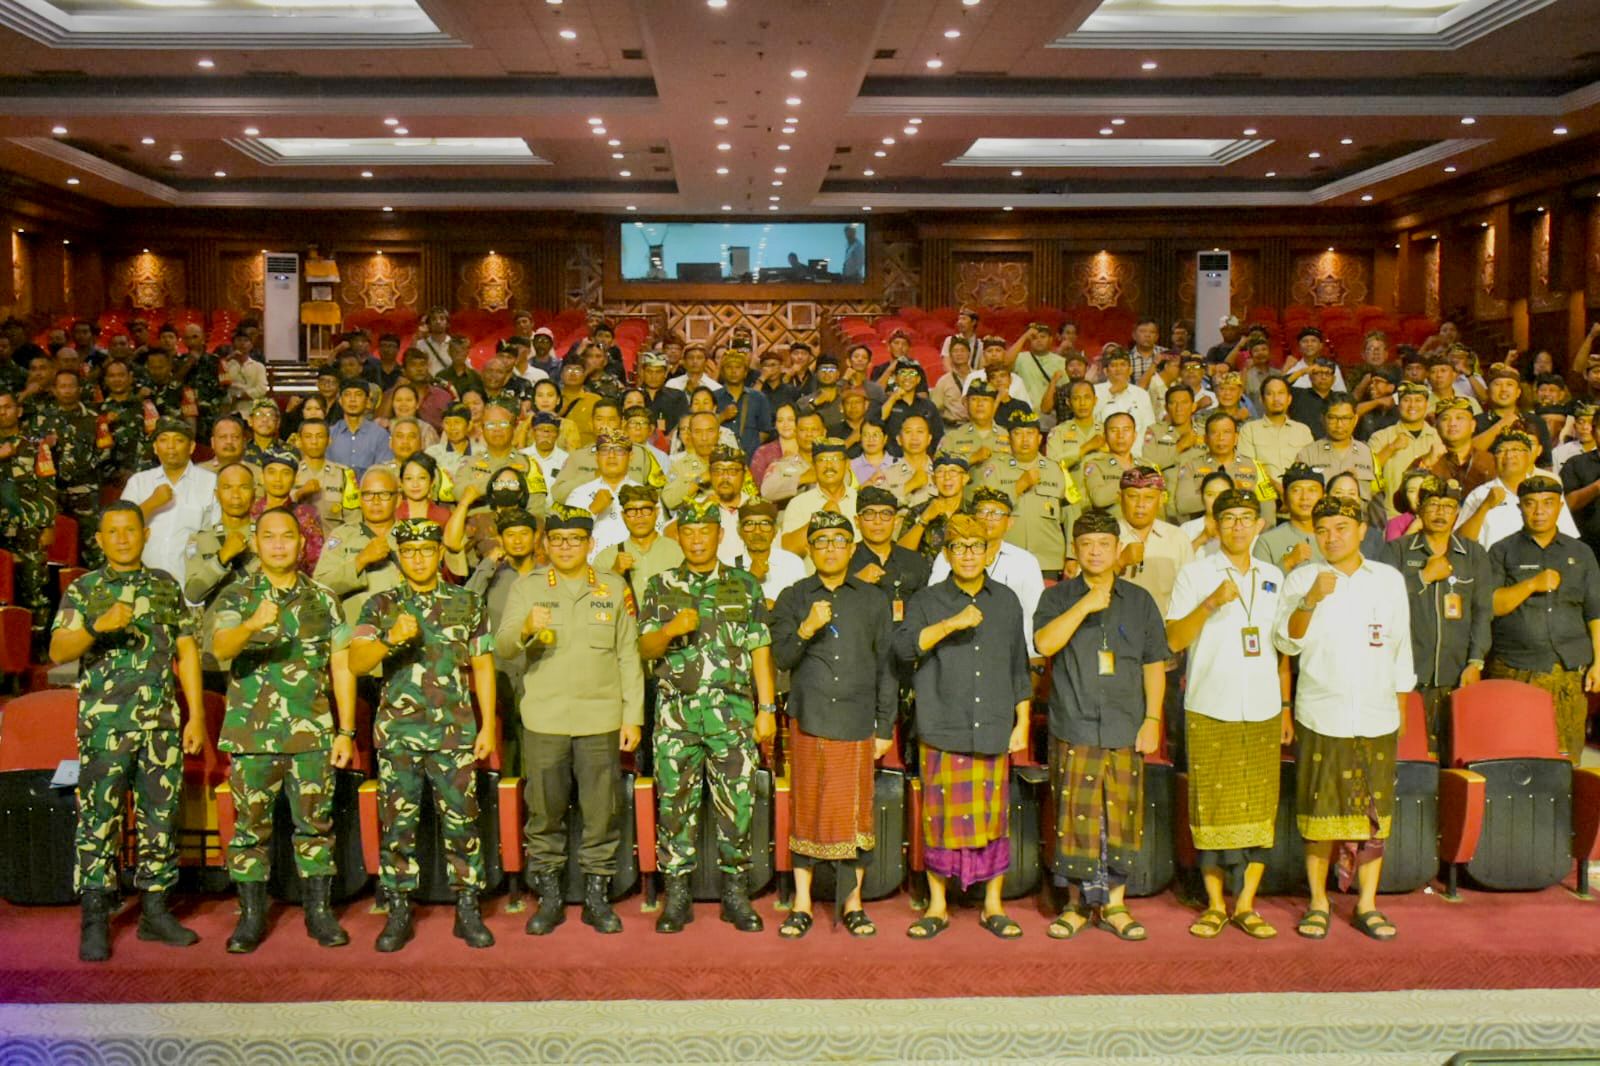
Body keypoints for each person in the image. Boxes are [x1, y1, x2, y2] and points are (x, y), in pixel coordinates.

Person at [50, 501, 208, 962]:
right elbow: (58, 649)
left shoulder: (164, 585)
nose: (122, 539)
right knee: (100, 820)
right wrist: (96, 628)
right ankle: (96, 916)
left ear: (144, 535)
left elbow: (186, 651)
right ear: (99, 540)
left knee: (161, 819)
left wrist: (196, 715)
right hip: (106, 727)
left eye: (130, 530)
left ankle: (155, 911)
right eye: (113, 532)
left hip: (161, 724)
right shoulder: (85, 589)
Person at [208, 507, 358, 953]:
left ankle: (319, 913)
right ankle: (251, 916)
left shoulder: (323, 599)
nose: (278, 544)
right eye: (269, 536)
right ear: (256, 543)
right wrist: (252, 624)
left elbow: (342, 665)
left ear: (301, 542)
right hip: (252, 735)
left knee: (316, 826)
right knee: (250, 830)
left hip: (312, 734)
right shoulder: (237, 596)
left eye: (286, 536)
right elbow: (221, 648)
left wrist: (346, 730)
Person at [348, 518, 497, 951]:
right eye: (409, 551)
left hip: (454, 733)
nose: (418, 559)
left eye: (426, 550)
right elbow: (357, 662)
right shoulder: (380, 605)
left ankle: (467, 906)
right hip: (398, 735)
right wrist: (390, 640)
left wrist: (487, 724)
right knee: (398, 825)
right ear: (399, 557)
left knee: (463, 822)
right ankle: (398, 908)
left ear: (439, 554)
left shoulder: (466, 602)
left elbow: (483, 665)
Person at [1274, 495, 1415, 943]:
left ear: (1361, 531)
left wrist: (1402, 707)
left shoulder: (1387, 580)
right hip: (1322, 712)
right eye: (1323, 530)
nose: (1331, 538)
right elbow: (1287, 642)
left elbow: (1401, 647)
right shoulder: (1302, 578)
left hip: (1377, 713)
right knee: (1320, 812)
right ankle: (1318, 901)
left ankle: (1367, 903)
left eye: (1341, 528)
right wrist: (1310, 600)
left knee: (1375, 815)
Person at [497, 509, 644, 936]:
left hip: (601, 717)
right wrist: (526, 627)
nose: (565, 547)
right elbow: (503, 646)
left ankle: (597, 897)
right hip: (545, 719)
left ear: (589, 544)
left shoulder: (613, 587)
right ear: (545, 544)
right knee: (544, 812)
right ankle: (550, 897)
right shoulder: (527, 587)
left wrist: (632, 716)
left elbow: (628, 654)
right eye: (557, 539)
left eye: (574, 539)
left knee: (602, 812)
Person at [637, 500, 778, 934]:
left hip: (732, 716)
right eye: (689, 531)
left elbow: (759, 648)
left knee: (737, 806)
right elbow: (644, 649)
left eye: (705, 531)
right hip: (676, 717)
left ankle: (736, 893)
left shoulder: (744, 585)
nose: (697, 539)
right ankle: (676, 896)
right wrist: (670, 630)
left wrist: (767, 709)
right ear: (678, 536)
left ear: (720, 535)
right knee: (673, 806)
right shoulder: (660, 585)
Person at [895, 514, 1032, 941]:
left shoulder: (1006, 600)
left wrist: (1023, 722)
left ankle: (993, 906)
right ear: (947, 554)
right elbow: (903, 648)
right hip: (942, 723)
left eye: (976, 546)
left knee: (994, 819)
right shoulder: (928, 600)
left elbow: (1018, 666)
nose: (968, 555)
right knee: (938, 820)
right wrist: (951, 624)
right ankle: (937, 906)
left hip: (992, 724)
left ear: (989, 552)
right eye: (959, 547)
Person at [1035, 508, 1169, 941]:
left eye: (1104, 545)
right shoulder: (1058, 597)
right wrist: (1085, 605)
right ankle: (1075, 905)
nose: (1095, 552)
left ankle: (1115, 905)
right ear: (1074, 550)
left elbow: (1153, 663)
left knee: (1121, 816)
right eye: (1087, 544)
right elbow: (1044, 644)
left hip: (1125, 724)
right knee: (1076, 816)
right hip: (1074, 723)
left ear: (1117, 549)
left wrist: (1152, 719)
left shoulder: (1139, 600)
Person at [1164, 490, 1290, 940]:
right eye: (1229, 518)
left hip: (1263, 707)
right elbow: (1173, 640)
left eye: (1246, 518)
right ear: (1215, 526)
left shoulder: (1273, 576)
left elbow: (1281, 649)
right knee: (1212, 810)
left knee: (1260, 809)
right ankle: (1216, 905)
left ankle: (1247, 905)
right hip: (1209, 705)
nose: (1238, 526)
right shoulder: (1196, 573)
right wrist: (1210, 603)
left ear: (1259, 525)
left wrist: (1286, 706)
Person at [770, 511, 897, 939]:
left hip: (858, 719)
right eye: (821, 541)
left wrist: (885, 726)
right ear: (809, 548)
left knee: (855, 814)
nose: (830, 549)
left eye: (839, 541)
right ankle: (802, 904)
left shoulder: (873, 599)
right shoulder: (793, 596)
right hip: (809, 718)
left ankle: (853, 904)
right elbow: (782, 658)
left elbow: (886, 667)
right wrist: (807, 628)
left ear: (851, 548)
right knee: (807, 811)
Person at [1487, 474, 1600, 764]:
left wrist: (1599, 663)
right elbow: (1493, 605)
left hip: (1567, 674)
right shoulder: (1502, 550)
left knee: (1565, 762)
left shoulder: (1581, 552)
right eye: (1530, 504)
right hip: (1514, 670)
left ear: (1560, 506)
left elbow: (1595, 612)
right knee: (1513, 758)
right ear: (1520, 508)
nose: (1539, 511)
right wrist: (1531, 584)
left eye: (1548, 503)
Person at [1383, 478, 1491, 756]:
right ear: (1419, 509)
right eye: (1432, 505)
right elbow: (1381, 604)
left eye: (1448, 506)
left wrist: (1476, 661)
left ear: (1457, 512)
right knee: (1408, 758)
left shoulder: (1473, 554)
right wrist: (1423, 577)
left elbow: (1482, 611)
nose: (1441, 512)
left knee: (1453, 756)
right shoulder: (1397, 550)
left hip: (1456, 675)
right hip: (1408, 677)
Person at [928, 488, 1047, 661]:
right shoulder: (950, 555)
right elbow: (934, 604)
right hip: (956, 651)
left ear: (1010, 522)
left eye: (997, 513)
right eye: (982, 511)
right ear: (972, 517)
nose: (988, 518)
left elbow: (1033, 615)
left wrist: (1033, 658)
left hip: (1008, 655)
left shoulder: (1025, 562)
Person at [121, 417, 220, 581]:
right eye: (163, 440)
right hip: (143, 582)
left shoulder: (210, 482)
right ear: (155, 447)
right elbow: (121, 527)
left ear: (191, 447)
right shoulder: (139, 482)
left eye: (178, 440)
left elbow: (217, 533)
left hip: (193, 582)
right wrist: (152, 503)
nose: (170, 446)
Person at [975, 409, 1070, 579]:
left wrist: (1072, 556)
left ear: (1039, 438)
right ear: (1009, 439)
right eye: (1018, 434)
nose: (1025, 440)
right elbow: (984, 513)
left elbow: (1071, 515)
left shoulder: (1056, 470)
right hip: (1004, 557)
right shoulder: (994, 469)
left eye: (1030, 433)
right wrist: (1018, 487)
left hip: (1047, 560)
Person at [33, 367, 110, 569]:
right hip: (53, 493)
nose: (67, 391)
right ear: (54, 390)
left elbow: (105, 451)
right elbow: (30, 452)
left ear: (79, 389)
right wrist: (43, 445)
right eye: (62, 386)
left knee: (93, 546)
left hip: (85, 491)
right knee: (56, 549)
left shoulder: (94, 418)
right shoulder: (41, 420)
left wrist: (82, 468)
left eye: (71, 386)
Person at [0, 389, 58, 644]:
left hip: (29, 530)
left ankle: (37, 647)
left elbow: (47, 486)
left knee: (34, 591)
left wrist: (48, 525)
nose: (2, 413)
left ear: (19, 410)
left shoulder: (36, 446)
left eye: (7, 407)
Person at [1457, 431, 1579, 549]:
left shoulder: (1547, 490)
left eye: (1516, 449)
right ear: (1494, 458)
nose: (1509, 455)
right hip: (1492, 561)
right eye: (1501, 451)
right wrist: (1484, 506)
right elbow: (1460, 543)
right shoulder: (1479, 494)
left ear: (1529, 456)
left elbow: (1568, 537)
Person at [314, 466, 404, 624]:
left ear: (398, 500)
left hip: (403, 626)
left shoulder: (411, 535)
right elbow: (320, 586)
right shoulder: (342, 536)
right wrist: (360, 561)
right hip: (356, 629)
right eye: (368, 494)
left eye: (384, 494)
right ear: (360, 499)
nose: (375, 501)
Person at [594, 484, 683, 601]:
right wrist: (615, 573)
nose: (639, 516)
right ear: (623, 516)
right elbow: (595, 602)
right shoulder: (605, 558)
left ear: (657, 512)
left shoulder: (678, 552)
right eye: (631, 511)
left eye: (646, 510)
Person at [1368, 383, 1441, 521]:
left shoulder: (1438, 437)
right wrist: (1391, 448)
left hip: (1431, 517)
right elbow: (1367, 471)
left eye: (1418, 400)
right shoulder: (1381, 437)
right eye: (1406, 400)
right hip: (1392, 518)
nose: (1412, 405)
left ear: (1427, 404)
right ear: (1398, 405)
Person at [1239, 375, 1314, 502]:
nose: (1276, 398)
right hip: (1263, 498)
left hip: (1299, 497)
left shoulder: (1303, 430)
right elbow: (1248, 468)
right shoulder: (1249, 430)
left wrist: (1291, 494)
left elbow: (1309, 468)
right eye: (1270, 394)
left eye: (1281, 393)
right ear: (1262, 399)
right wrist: (1280, 490)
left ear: (1289, 399)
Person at [780, 437, 857, 558]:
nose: (829, 465)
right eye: (822, 460)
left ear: (847, 464)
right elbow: (789, 552)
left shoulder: (860, 501)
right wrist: (820, 517)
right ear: (814, 465)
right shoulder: (798, 503)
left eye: (835, 459)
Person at [1413, 398, 1497, 497]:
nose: (1452, 424)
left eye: (1459, 418)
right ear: (1436, 426)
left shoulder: (1490, 461)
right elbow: (1404, 499)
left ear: (1473, 425)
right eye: (1445, 419)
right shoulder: (1426, 462)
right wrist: (1427, 464)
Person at [1092, 348, 1155, 443]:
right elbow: (1087, 418)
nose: (1118, 369)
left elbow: (1149, 427)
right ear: (1105, 371)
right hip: (1103, 448)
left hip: (1136, 448)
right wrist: (1110, 392)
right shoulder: (1094, 391)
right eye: (1113, 365)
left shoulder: (1141, 394)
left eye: (1123, 365)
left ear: (1130, 370)